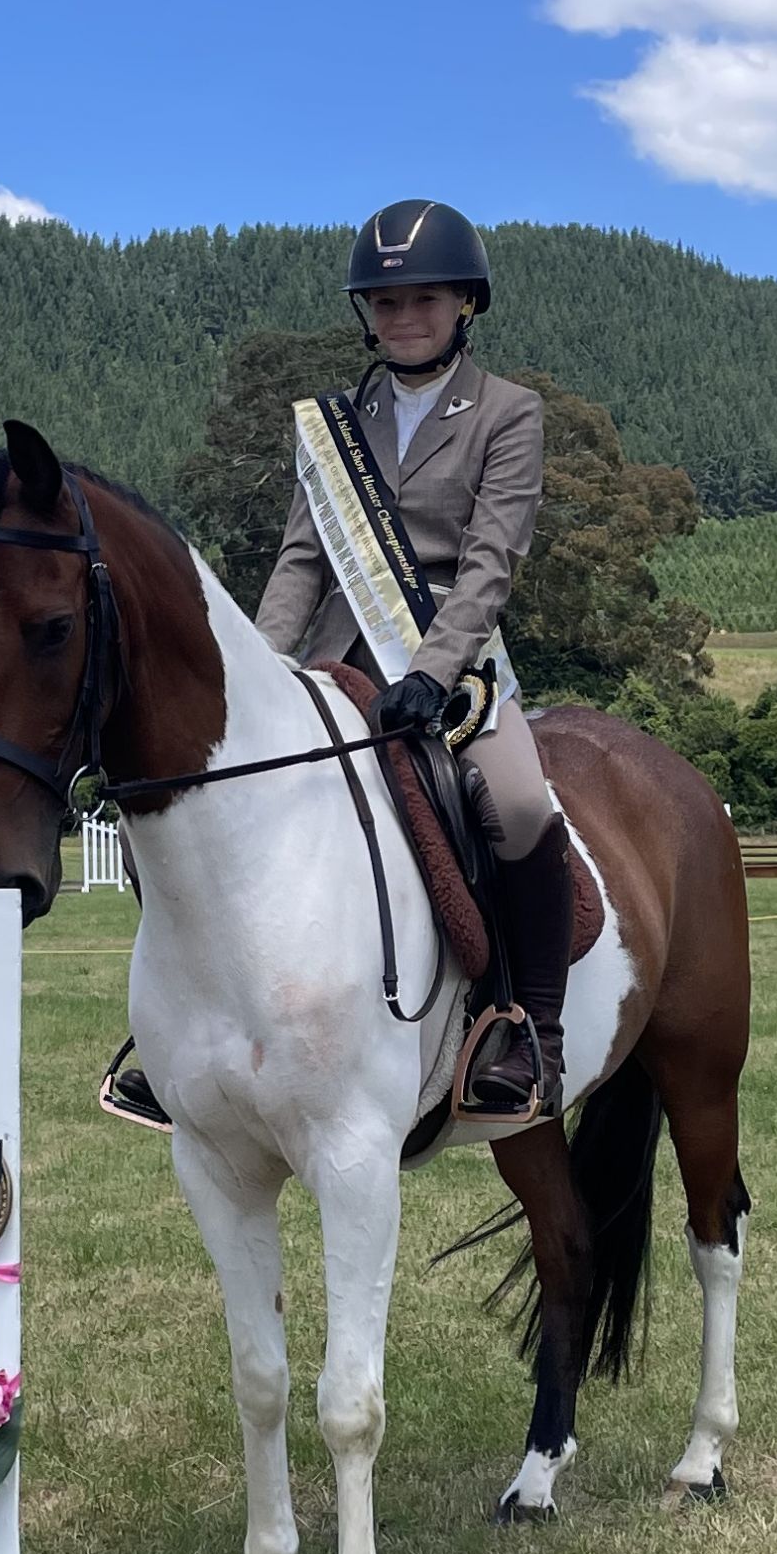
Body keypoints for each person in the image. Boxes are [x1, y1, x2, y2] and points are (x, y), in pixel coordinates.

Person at [250, 200, 572, 1117]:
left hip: (454, 663)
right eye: (385, 302)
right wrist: (260, 670)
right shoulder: (333, 427)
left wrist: (432, 671)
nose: (402, 318)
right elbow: (303, 561)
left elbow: (490, 560)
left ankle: (530, 1029)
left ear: (465, 303)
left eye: (422, 299)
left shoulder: (509, 412)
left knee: (516, 803)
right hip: (338, 656)